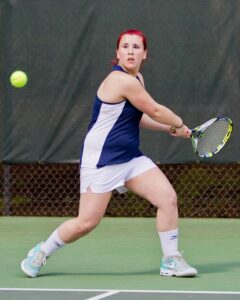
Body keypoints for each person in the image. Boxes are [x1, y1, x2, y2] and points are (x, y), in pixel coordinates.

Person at [21, 29, 197, 278]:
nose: (130, 51)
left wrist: (170, 128)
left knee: (167, 198)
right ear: (117, 53)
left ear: (144, 53)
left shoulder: (137, 80)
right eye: (125, 47)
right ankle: (42, 251)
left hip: (130, 157)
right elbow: (156, 110)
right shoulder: (119, 80)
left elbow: (141, 117)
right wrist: (177, 122)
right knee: (86, 223)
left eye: (136, 47)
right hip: (101, 160)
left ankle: (171, 260)